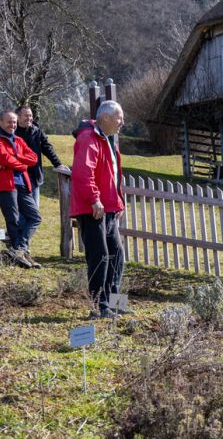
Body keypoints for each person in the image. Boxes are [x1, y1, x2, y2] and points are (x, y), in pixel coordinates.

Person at [70, 101, 126, 319]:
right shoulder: (89, 138)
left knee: (116, 254)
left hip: (109, 208)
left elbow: (113, 174)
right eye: (119, 117)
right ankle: (99, 306)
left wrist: (119, 202)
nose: (122, 122)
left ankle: (116, 303)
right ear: (105, 117)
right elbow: (84, 173)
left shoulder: (108, 140)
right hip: (93, 208)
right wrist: (94, 199)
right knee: (99, 256)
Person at [0, 111, 42, 268]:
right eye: (9, 122)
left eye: (15, 122)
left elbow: (34, 158)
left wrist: (15, 158)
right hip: (5, 185)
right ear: (1, 122)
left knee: (34, 217)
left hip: (22, 184)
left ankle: (19, 250)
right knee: (14, 221)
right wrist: (20, 162)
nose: (13, 125)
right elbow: (4, 158)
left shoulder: (19, 140)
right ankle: (22, 255)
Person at [14, 105, 68, 206]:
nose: (29, 118)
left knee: (35, 209)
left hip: (33, 175)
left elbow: (47, 148)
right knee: (20, 210)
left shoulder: (36, 131)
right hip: (17, 176)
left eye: (30, 115)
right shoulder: (12, 132)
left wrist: (58, 164)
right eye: (26, 116)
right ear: (18, 117)